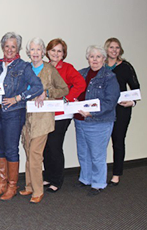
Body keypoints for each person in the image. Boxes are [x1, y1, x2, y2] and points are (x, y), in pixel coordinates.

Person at [0, 32, 43, 200]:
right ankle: (2, 184)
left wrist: (18, 98)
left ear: (18, 48)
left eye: (13, 46)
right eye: (7, 46)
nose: (10, 49)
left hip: (13, 113)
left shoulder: (23, 66)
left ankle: (12, 186)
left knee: (11, 150)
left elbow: (37, 87)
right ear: (2, 47)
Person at [20, 37, 68, 203]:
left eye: (38, 49)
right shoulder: (25, 68)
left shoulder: (49, 69)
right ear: (28, 52)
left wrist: (47, 93)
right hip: (26, 117)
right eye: (32, 50)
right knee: (27, 151)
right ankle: (29, 186)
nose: (35, 53)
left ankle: (38, 191)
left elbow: (64, 89)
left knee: (35, 154)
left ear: (43, 52)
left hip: (43, 118)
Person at [74, 45, 120, 196]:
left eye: (98, 56)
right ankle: (85, 178)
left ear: (104, 59)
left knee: (97, 154)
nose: (95, 59)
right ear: (88, 58)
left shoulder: (109, 77)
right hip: (80, 121)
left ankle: (98, 182)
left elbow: (110, 101)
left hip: (99, 121)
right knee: (83, 152)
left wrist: (92, 112)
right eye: (92, 56)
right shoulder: (80, 74)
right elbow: (72, 91)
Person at [42, 38, 86, 192]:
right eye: (53, 50)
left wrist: (68, 98)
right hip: (45, 113)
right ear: (47, 51)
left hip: (62, 114)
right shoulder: (42, 66)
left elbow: (81, 84)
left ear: (63, 54)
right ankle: (47, 176)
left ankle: (57, 180)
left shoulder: (68, 68)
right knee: (46, 147)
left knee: (54, 146)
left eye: (59, 51)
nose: (55, 53)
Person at [104, 38, 140, 186]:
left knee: (118, 142)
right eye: (111, 47)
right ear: (106, 49)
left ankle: (117, 174)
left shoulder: (125, 66)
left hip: (121, 110)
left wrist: (133, 102)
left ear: (120, 50)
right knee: (101, 142)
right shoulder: (101, 66)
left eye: (117, 48)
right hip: (105, 110)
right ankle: (99, 173)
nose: (114, 50)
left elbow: (136, 87)